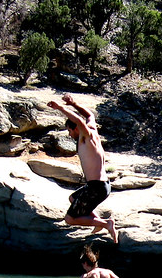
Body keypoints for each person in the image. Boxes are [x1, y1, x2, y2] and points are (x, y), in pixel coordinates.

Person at [46, 93, 119, 243]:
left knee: (70, 219)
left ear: (77, 129)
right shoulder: (93, 130)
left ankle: (106, 224)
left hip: (96, 188)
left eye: (70, 130)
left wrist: (60, 107)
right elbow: (89, 115)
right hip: (100, 185)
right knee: (73, 198)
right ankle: (98, 222)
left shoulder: (86, 136)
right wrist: (74, 104)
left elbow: (79, 120)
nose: (69, 134)